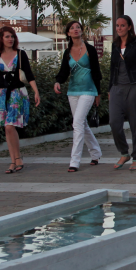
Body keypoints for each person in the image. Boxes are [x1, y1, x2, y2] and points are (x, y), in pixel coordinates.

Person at [0, 26, 41, 174]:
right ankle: (13, 160)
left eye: (12, 36)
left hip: (18, 94)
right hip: (2, 95)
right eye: (7, 36)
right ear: (1, 38)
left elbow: (29, 74)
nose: (10, 39)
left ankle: (18, 158)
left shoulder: (20, 54)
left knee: (10, 126)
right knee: (7, 129)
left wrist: (36, 92)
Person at [54, 20, 103, 172]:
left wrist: (98, 93)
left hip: (89, 90)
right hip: (73, 91)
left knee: (77, 123)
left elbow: (96, 72)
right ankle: (96, 153)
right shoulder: (67, 52)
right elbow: (64, 71)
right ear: (68, 33)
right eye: (72, 28)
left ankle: (74, 161)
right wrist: (57, 82)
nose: (75, 30)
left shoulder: (90, 49)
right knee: (81, 123)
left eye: (78, 27)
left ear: (82, 31)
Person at [108, 15, 136, 171]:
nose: (119, 28)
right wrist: (109, 89)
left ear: (129, 27)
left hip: (135, 87)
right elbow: (112, 69)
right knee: (114, 122)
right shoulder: (115, 45)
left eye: (122, 25)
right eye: (117, 25)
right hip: (117, 88)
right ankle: (124, 153)